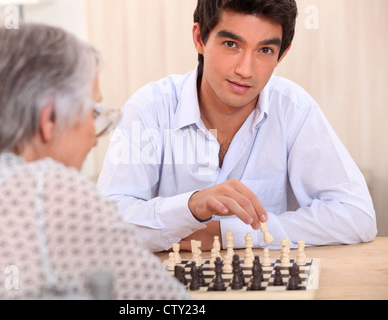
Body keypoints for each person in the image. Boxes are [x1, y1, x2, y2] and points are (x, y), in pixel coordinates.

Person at [97, 0, 377, 253]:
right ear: (199, 39)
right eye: (232, 44)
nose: (246, 69)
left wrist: (226, 232)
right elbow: (105, 227)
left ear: (282, 54)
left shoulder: (294, 109)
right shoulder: (149, 108)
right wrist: (190, 207)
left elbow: (357, 216)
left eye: (265, 50)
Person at [0, 20, 190, 300]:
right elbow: (167, 302)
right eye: (93, 114)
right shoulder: (49, 190)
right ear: (49, 119)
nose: (95, 138)